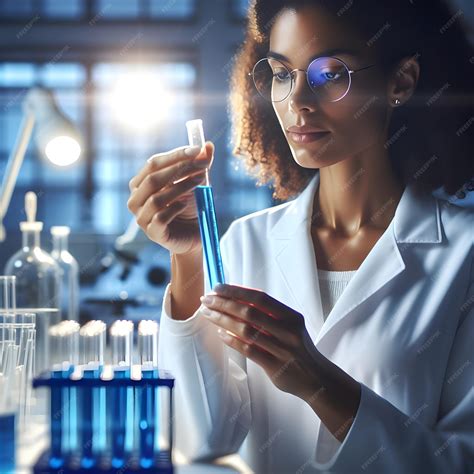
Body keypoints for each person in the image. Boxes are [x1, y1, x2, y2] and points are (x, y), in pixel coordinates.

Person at [127, 0, 473, 472]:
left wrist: (317, 382)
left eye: (331, 73)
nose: (298, 102)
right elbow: (199, 440)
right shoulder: (245, 244)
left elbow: (461, 460)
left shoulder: (465, 255)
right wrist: (187, 259)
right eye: (282, 73)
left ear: (401, 81)